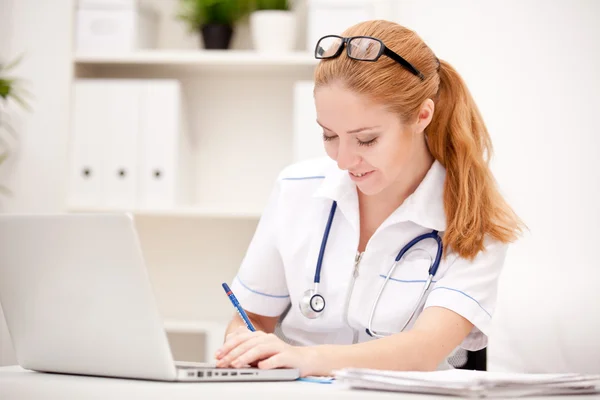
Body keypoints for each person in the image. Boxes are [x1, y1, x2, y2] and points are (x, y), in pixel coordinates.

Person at [215, 19, 523, 377]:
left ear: (422, 115)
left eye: (366, 139)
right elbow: (251, 315)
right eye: (329, 135)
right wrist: (244, 345)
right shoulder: (296, 189)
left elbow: (424, 350)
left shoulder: (472, 219)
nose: (343, 161)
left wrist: (307, 360)